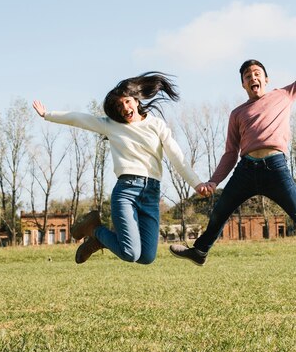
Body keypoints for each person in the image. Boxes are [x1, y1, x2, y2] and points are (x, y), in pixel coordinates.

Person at [170, 28, 296, 297]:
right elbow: (229, 153)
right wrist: (214, 180)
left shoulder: (283, 96)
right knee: (219, 212)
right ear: (243, 84)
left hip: (276, 168)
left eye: (257, 74)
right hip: (246, 169)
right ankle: (200, 251)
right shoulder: (237, 113)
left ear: (266, 79)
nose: (253, 78)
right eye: (248, 76)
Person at [33, 73, 208, 265]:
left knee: (147, 257)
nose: (124, 108)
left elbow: (176, 156)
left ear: (136, 100)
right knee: (130, 253)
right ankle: (95, 230)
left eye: (127, 101)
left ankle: (98, 237)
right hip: (126, 191)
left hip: (151, 193)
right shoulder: (112, 125)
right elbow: (79, 119)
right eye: (119, 106)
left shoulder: (156, 125)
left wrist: (196, 183)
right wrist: (47, 115)